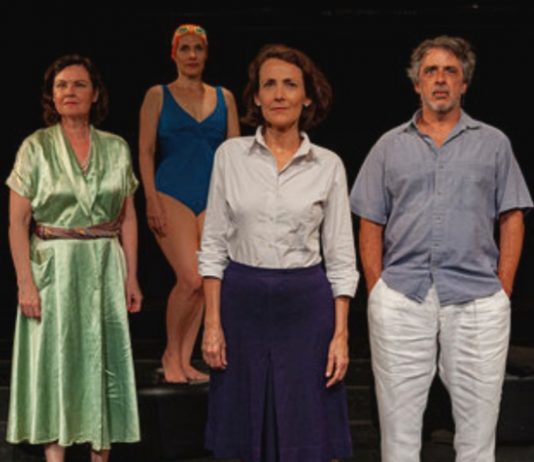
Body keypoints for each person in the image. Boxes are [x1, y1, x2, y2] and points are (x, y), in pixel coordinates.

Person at [350, 35, 533, 462]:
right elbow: (370, 220)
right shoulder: (389, 145)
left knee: (478, 430)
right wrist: (377, 289)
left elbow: (512, 216)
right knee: (398, 430)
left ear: (464, 84)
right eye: (430, 71)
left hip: (476, 296)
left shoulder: (493, 143)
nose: (440, 79)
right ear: (416, 83)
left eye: (451, 71)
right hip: (402, 294)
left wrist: (503, 288)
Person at [199, 44, 358, 462]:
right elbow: (213, 246)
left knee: (305, 426)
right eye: (269, 84)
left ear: (307, 97)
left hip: (305, 305)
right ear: (255, 96)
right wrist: (212, 324)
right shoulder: (230, 157)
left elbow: (341, 258)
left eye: (290, 84)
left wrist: (341, 335)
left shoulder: (328, 165)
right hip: (242, 301)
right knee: (242, 426)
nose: (279, 94)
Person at [6, 55, 142, 462]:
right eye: (61, 85)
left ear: (95, 93)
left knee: (103, 360)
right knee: (55, 360)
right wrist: (25, 282)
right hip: (53, 268)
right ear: (51, 95)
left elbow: (127, 218)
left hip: (103, 264)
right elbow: (17, 222)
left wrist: (132, 277)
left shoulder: (116, 147)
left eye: (79, 84)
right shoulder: (35, 146)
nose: (70, 92)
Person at [139, 23, 240, 384]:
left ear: (206, 53)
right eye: (185, 48)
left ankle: (184, 359)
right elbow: (146, 150)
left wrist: (235, 202)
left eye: (198, 48)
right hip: (171, 192)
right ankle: (171, 353)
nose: (192, 55)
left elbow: (234, 153)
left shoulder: (224, 97)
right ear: (174, 54)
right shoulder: (158, 94)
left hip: (212, 194)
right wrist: (150, 198)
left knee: (205, 281)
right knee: (190, 276)